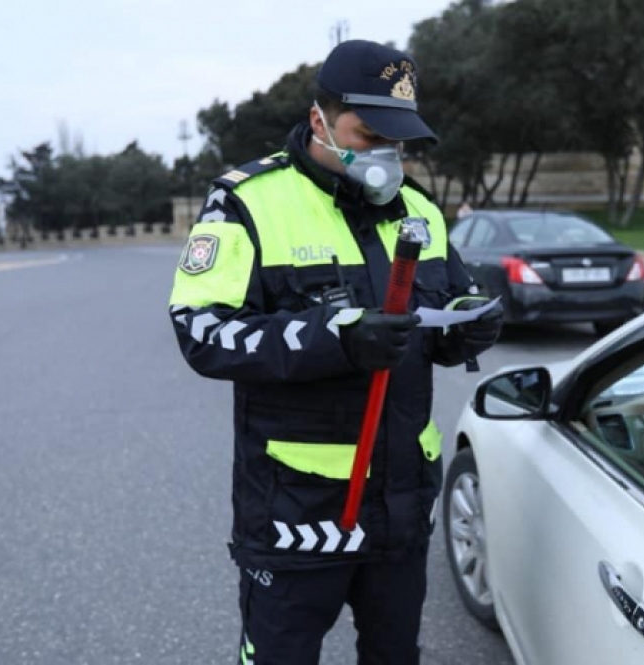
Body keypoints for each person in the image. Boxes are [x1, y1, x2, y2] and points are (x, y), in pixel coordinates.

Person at [168, 39, 503, 665]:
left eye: (395, 139)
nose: (383, 153)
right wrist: (335, 340)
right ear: (320, 117)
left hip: (401, 505)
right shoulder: (248, 202)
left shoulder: (419, 207)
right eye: (367, 133)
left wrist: (468, 329)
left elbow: (448, 305)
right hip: (299, 511)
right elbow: (200, 330)